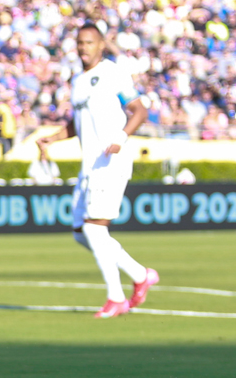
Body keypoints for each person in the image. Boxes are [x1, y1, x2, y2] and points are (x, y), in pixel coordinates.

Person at [35, 22, 159, 318]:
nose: (83, 47)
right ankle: (140, 275)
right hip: (89, 164)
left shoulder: (112, 72)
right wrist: (52, 138)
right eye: (79, 42)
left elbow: (139, 110)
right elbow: (77, 124)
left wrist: (121, 137)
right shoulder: (78, 80)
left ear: (101, 45)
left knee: (94, 228)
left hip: (110, 160)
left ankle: (116, 297)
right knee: (81, 232)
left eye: (89, 42)